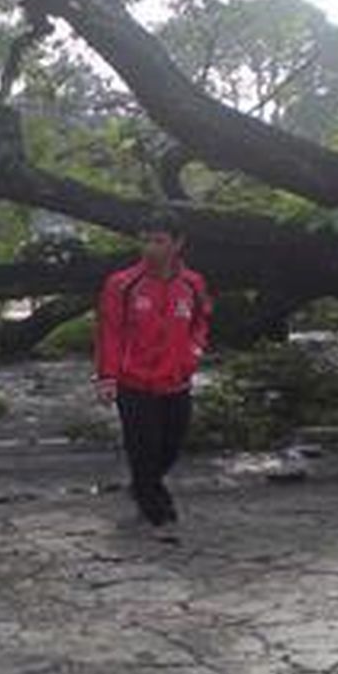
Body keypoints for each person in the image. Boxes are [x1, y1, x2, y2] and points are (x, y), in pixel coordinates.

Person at [95, 211, 212, 528]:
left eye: (159, 241)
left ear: (178, 244)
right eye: (145, 240)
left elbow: (201, 321)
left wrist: (194, 352)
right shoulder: (122, 284)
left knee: (171, 445)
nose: (150, 248)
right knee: (143, 445)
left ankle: (145, 484)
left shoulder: (193, 283)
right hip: (134, 382)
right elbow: (110, 332)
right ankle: (152, 501)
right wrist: (107, 377)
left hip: (176, 381)